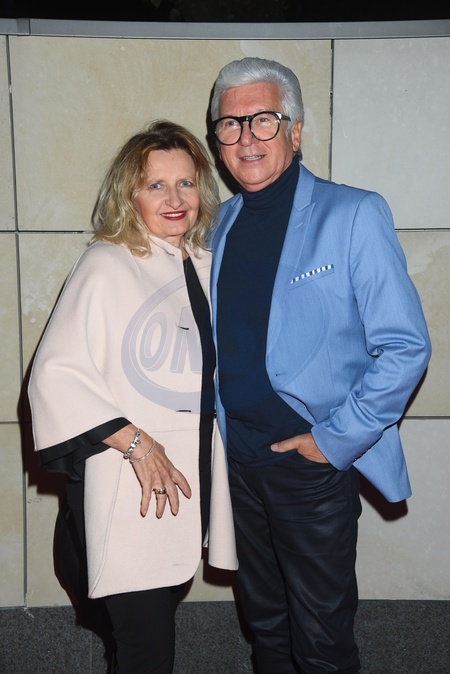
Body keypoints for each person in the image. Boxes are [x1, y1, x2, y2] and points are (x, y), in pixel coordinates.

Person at [208, 57, 431, 674]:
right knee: (265, 628)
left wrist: (333, 441)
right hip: (236, 463)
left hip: (310, 466)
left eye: (264, 120)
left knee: (321, 642)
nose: (246, 137)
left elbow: (406, 345)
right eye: (230, 124)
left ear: (296, 130)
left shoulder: (353, 214)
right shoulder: (216, 225)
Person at [28, 119, 237, 674]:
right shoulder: (107, 261)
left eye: (186, 183)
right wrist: (137, 444)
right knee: (147, 648)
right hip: (130, 484)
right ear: (129, 195)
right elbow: (54, 374)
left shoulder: (206, 261)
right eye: (156, 185)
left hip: (191, 481)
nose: (175, 199)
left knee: (150, 630)